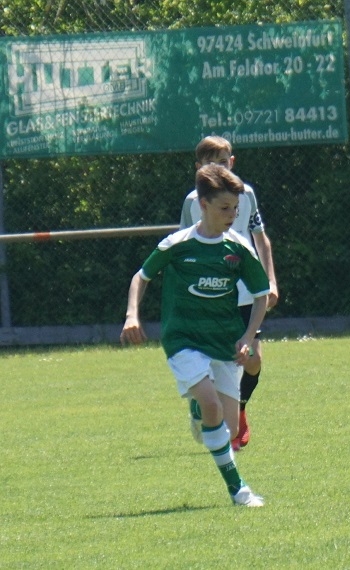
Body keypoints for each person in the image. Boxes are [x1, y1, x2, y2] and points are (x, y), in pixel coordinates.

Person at [121, 164, 271, 507]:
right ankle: (238, 490)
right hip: (183, 339)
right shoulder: (178, 245)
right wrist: (132, 315)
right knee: (211, 404)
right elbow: (141, 277)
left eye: (236, 208)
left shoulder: (238, 248)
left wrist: (247, 336)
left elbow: (261, 295)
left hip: (223, 341)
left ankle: (196, 406)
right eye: (224, 208)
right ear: (203, 205)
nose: (232, 215)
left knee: (230, 429)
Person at [180, 136, 279, 451]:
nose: (218, 169)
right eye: (211, 163)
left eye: (223, 162)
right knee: (212, 359)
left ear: (232, 163)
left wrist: (270, 281)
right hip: (209, 294)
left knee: (252, 360)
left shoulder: (245, 194)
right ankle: (206, 408)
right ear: (199, 168)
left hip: (245, 293)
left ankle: (240, 408)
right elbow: (183, 247)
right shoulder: (192, 202)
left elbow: (261, 239)